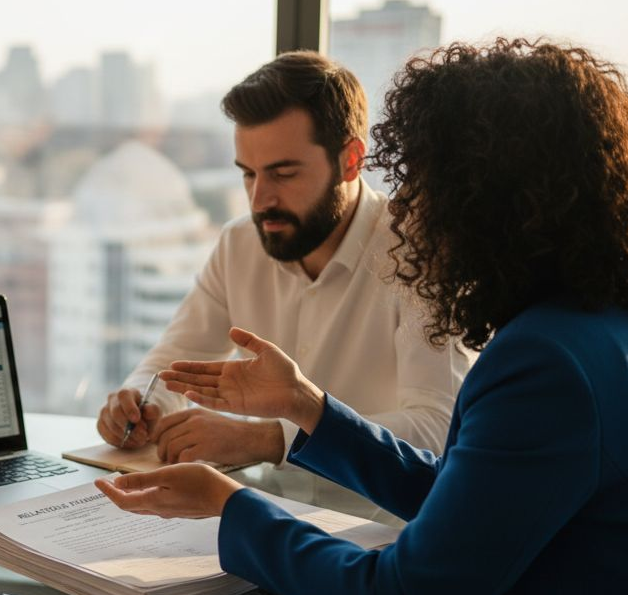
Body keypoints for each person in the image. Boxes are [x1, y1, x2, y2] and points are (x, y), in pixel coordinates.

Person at [99, 39, 628, 595]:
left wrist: (231, 507)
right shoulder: (596, 328)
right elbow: (463, 493)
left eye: (427, 185)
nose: (404, 211)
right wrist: (308, 408)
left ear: (493, 203)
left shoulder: (546, 367)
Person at [96, 51, 468, 469]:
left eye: (284, 174)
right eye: (248, 174)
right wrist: (140, 404)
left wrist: (270, 439)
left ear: (351, 161)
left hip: (376, 524)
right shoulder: (239, 243)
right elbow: (174, 363)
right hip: (265, 510)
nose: (260, 200)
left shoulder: (418, 253)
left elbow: (439, 429)